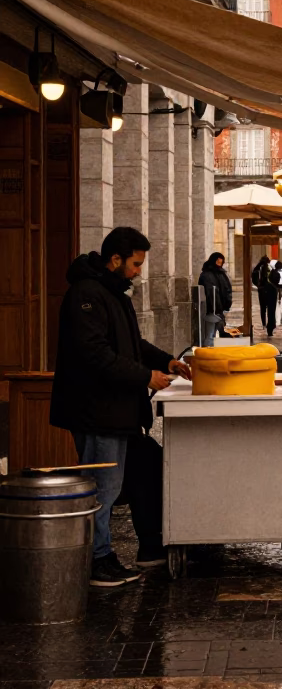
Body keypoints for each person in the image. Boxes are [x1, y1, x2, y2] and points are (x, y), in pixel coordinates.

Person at [50, 227, 191, 587]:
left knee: (133, 473)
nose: (138, 271)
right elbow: (95, 354)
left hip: (115, 409)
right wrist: (146, 377)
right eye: (135, 264)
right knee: (102, 487)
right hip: (97, 410)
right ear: (116, 259)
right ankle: (98, 561)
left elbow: (131, 342)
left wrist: (168, 361)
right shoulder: (87, 294)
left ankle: (125, 552)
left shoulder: (112, 291)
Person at [199, 251, 232, 343]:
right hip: (211, 309)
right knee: (210, 335)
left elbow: (227, 290)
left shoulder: (221, 274)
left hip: (219, 309)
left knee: (212, 334)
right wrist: (215, 308)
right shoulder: (207, 275)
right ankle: (207, 353)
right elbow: (210, 293)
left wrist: (226, 306)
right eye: (217, 262)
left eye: (221, 262)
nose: (219, 264)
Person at [252, 254, 278, 336]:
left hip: (262, 290)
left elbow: (253, 277)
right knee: (271, 310)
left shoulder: (258, 268)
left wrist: (258, 286)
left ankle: (263, 323)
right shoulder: (271, 267)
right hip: (272, 290)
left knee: (263, 308)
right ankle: (270, 326)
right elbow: (277, 277)